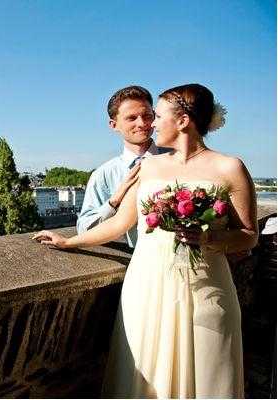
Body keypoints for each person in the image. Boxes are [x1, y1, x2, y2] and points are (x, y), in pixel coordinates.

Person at [33, 83, 257, 398]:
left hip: (207, 284)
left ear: (182, 121)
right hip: (149, 284)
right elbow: (120, 224)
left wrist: (210, 237)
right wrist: (69, 242)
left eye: (157, 115)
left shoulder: (230, 167)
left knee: (210, 370)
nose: (151, 124)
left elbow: (249, 236)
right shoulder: (147, 167)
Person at [77, 85, 169, 248]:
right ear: (113, 125)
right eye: (132, 118)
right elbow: (84, 230)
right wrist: (114, 201)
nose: (142, 123)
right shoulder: (103, 175)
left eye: (147, 115)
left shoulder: (178, 158)